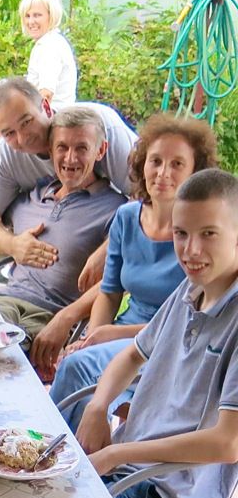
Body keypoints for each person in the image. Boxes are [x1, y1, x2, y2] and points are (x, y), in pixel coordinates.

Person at [76, 168, 238, 498]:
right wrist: (98, 407)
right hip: (124, 477)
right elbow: (134, 353)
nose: (191, 251)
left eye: (208, 234)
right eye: (181, 234)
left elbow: (228, 443)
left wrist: (118, 453)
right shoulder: (189, 290)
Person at [50, 114, 219, 431]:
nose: (163, 173)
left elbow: (190, 326)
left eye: (177, 164)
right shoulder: (127, 218)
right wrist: (92, 338)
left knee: (76, 368)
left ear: (196, 173)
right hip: (122, 340)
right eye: (156, 160)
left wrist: (107, 336)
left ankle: (44, 454)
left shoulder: (200, 239)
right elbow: (109, 293)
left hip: (170, 349)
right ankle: (67, 464)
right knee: (80, 377)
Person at [0, 106, 126, 379]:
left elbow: (117, 281)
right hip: (4, 301)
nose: (70, 158)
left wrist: (66, 319)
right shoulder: (33, 194)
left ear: (100, 151)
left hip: (48, 315)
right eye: (62, 147)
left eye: (82, 148)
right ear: (50, 151)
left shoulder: (116, 209)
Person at [0, 77, 137, 290]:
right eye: (9, 133)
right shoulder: (6, 154)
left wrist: (109, 251)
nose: (22, 138)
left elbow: (152, 198)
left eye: (26, 122)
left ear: (46, 106)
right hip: (20, 288)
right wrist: (12, 245)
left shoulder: (99, 129)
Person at [19, 0, 77, 108]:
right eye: (27, 16)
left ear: (51, 16)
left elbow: (46, 94)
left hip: (54, 115)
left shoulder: (50, 46)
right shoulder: (50, 41)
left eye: (37, 15)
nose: (31, 22)